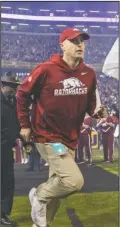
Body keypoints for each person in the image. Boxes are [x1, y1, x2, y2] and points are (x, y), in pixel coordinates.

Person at [16, 28, 107, 227]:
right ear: (62, 45)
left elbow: (91, 104)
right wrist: (24, 125)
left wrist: (97, 112)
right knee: (73, 181)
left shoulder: (88, 73)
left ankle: (42, 224)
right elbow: (22, 93)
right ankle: (38, 195)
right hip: (48, 136)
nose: (80, 44)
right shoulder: (46, 69)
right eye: (74, 41)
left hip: (70, 137)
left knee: (58, 186)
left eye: (82, 41)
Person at [1, 72, 20, 226]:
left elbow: (16, 125)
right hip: (2, 146)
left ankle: (3, 214)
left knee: (7, 181)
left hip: (6, 148)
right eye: (11, 86)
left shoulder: (12, 102)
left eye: (15, 86)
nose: (14, 89)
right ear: (2, 86)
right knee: (4, 181)